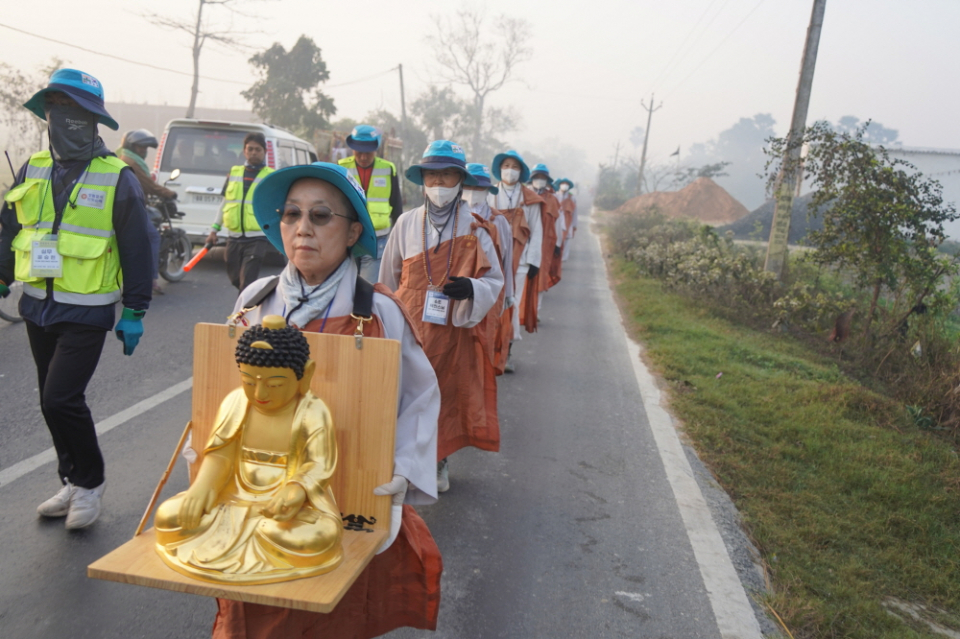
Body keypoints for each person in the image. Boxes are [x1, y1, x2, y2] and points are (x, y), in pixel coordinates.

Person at [215, 161, 442, 637]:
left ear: (353, 231)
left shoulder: (379, 312)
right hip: (256, 495)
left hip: (344, 496)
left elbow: (419, 399)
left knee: (332, 611)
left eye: (320, 216)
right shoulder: (254, 302)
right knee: (252, 607)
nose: (303, 228)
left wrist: (403, 470)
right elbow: (225, 392)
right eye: (291, 214)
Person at [0, 68, 153, 529]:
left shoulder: (117, 177)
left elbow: (138, 247)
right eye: (56, 107)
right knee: (50, 402)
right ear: (47, 114)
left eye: (74, 109)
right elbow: (9, 227)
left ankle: (90, 483)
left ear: (92, 119)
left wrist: (135, 309)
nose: (63, 115)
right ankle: (70, 478)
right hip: (36, 306)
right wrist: (2, 276)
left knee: (61, 398)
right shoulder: (32, 167)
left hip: (87, 310)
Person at [155, 317, 344, 583]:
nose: (259, 394)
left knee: (316, 538)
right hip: (231, 500)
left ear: (305, 374)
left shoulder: (312, 410)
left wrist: (296, 490)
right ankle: (245, 544)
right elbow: (220, 455)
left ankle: (258, 542)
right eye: (249, 382)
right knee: (168, 517)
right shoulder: (235, 402)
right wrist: (202, 487)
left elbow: (318, 464)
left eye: (275, 385)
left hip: (285, 508)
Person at [380, 140, 504, 493]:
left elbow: (494, 281)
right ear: (422, 179)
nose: (438, 183)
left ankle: (438, 459)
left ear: (460, 180)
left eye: (447, 175)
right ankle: (396, 460)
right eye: (431, 175)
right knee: (402, 392)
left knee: (442, 394)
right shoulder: (406, 222)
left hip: (451, 327)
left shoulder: (476, 228)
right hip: (407, 323)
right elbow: (388, 277)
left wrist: (472, 288)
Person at [489, 150, 543, 372]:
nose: (509, 170)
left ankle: (507, 351)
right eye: (506, 166)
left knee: (511, 305)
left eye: (514, 166)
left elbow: (536, 230)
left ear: (521, 171)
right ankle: (488, 351)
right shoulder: (490, 193)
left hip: (520, 262)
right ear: (499, 169)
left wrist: (534, 262)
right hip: (492, 260)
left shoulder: (530, 199)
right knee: (490, 305)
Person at [205, 132, 274, 293]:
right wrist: (214, 230)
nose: (254, 153)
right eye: (250, 149)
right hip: (234, 237)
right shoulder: (234, 173)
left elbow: (275, 207)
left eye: (258, 149)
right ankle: (253, 299)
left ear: (264, 152)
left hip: (257, 237)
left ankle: (244, 307)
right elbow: (225, 203)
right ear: (244, 151)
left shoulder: (271, 176)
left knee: (247, 282)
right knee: (235, 278)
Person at [462, 163, 514, 375]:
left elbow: (506, 259)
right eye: (469, 187)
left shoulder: (499, 221)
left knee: (484, 340)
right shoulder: (453, 217)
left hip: (489, 289)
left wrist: (508, 293)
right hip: (459, 289)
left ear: (487, 190)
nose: (473, 192)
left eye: (479, 188)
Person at [337, 125, 403, 283]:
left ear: (376, 150)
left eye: (368, 153)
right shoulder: (341, 168)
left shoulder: (388, 169)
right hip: (347, 236)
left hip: (377, 238)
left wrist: (399, 238)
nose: (363, 157)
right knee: (346, 284)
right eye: (359, 152)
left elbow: (396, 205)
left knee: (368, 286)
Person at [118, 129, 177, 295]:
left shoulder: (125, 158)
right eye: (141, 147)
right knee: (153, 237)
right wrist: (169, 193)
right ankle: (151, 279)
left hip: (128, 205)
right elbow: (148, 185)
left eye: (145, 148)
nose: (144, 151)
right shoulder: (131, 162)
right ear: (131, 146)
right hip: (131, 208)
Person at [528, 163, 565, 319]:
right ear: (532, 178)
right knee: (522, 275)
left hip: (545, 245)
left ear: (547, 180)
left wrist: (557, 244)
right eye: (537, 177)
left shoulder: (552, 200)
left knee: (541, 277)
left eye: (543, 177)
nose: (540, 180)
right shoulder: (524, 194)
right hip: (524, 242)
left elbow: (558, 223)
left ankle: (536, 311)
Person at [556, 178, 578, 261]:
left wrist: (574, 225)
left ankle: (563, 259)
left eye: (566, 184)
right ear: (559, 185)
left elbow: (575, 212)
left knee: (566, 241)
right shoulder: (555, 196)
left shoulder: (572, 198)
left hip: (568, 222)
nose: (564, 185)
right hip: (556, 222)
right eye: (563, 183)